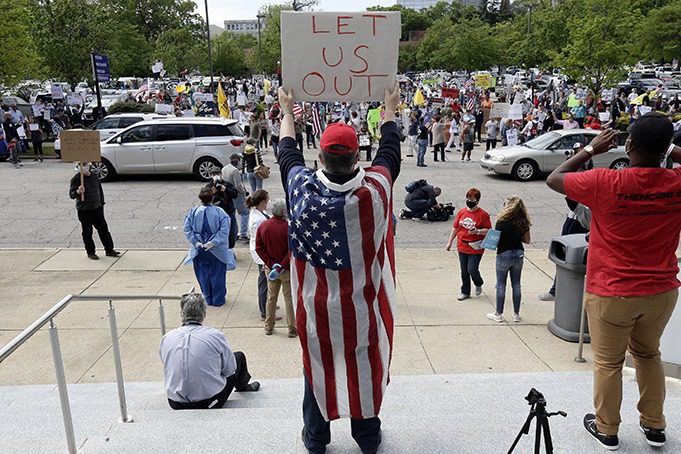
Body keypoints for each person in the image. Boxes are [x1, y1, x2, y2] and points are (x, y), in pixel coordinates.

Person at [277, 83, 401, 454]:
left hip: (316, 311)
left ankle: (316, 440)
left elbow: (286, 154)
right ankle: (367, 438)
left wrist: (287, 110)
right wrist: (390, 108)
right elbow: (391, 151)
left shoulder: (301, 190)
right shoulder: (375, 192)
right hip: (362, 311)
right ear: (356, 158)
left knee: (318, 369)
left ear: (321, 157)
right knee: (363, 369)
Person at [546, 114, 681, 450]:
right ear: (666, 149)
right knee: (649, 355)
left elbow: (554, 179)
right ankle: (654, 426)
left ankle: (607, 428)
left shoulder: (605, 182)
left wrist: (591, 148)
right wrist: (671, 150)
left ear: (628, 144)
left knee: (608, 363)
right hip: (661, 290)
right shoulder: (676, 182)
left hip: (612, 290)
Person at [160, 293, 260, 410]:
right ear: (204, 314)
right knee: (239, 357)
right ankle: (243, 387)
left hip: (175, 402)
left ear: (182, 313)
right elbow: (230, 370)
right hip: (210, 402)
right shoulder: (215, 336)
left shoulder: (167, 338)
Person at [183, 188, 236, 307]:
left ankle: (208, 298)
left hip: (199, 250)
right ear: (212, 198)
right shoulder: (220, 212)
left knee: (203, 274)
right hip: (217, 251)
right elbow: (224, 231)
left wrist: (196, 242)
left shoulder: (193, 211)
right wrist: (213, 242)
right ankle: (218, 300)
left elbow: (187, 229)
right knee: (217, 275)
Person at [255, 198, 296, 338]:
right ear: (284, 211)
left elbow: (259, 248)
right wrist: (282, 265)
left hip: (271, 270)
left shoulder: (263, 226)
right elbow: (291, 250)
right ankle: (292, 328)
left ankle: (269, 326)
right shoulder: (289, 228)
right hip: (286, 270)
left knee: (271, 298)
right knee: (289, 299)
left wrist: (271, 264)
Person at [487, 196, 531, 323]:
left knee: (501, 284)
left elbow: (496, 240)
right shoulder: (523, 222)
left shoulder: (501, 221)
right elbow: (527, 240)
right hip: (518, 253)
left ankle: (499, 314)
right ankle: (516, 314)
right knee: (516, 284)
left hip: (504, 253)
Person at [445, 188, 492, 301]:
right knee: (464, 270)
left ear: (477, 201)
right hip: (462, 245)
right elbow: (456, 227)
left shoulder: (483, 215)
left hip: (476, 246)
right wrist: (450, 241)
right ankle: (465, 291)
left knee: (472, 269)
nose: (469, 201)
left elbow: (489, 230)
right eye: (468, 198)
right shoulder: (462, 212)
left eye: (472, 199)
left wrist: (478, 231)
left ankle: (478, 282)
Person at [68, 163, 120, 260]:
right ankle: (91, 252)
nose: (83, 167)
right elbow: (71, 194)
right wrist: (78, 192)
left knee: (103, 230)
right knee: (87, 232)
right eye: (81, 165)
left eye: (85, 164)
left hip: (97, 208)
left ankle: (109, 249)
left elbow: (100, 191)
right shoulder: (76, 179)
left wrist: (101, 203)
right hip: (84, 210)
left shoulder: (94, 177)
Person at [246, 189, 270, 321]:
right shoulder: (258, 219)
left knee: (265, 281)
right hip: (261, 254)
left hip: (260, 252)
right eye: (267, 200)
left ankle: (267, 304)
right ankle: (264, 311)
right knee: (264, 282)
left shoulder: (259, 213)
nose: (268, 202)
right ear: (262, 202)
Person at [205, 169, 238, 248]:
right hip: (215, 214)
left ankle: (230, 248)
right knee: (217, 232)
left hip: (228, 211)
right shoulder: (209, 186)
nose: (216, 176)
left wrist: (226, 189)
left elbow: (235, 194)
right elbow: (204, 199)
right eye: (214, 174)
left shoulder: (227, 184)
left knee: (231, 232)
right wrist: (211, 193)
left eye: (217, 173)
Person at [222, 153, 250, 241]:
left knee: (232, 214)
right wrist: (244, 192)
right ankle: (243, 233)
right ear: (237, 161)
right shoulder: (235, 171)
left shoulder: (224, 168)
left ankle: (234, 232)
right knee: (245, 213)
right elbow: (238, 185)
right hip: (237, 194)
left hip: (228, 194)